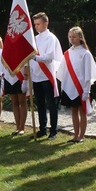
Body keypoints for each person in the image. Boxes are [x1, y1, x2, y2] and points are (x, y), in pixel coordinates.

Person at [57, 27, 96, 143]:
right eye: (70, 37)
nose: (72, 39)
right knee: (73, 110)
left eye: (74, 36)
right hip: (70, 86)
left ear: (80, 37)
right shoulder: (67, 53)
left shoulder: (86, 53)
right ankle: (75, 135)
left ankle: (82, 135)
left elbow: (88, 73)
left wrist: (87, 90)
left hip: (81, 87)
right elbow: (63, 71)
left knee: (83, 111)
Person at [28, 12, 64, 140]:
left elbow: (49, 57)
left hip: (47, 76)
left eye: (38, 24)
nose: (36, 27)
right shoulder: (35, 39)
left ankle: (53, 130)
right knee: (40, 104)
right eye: (35, 24)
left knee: (51, 104)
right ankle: (42, 128)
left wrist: (34, 57)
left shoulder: (51, 38)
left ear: (45, 23)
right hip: (37, 75)